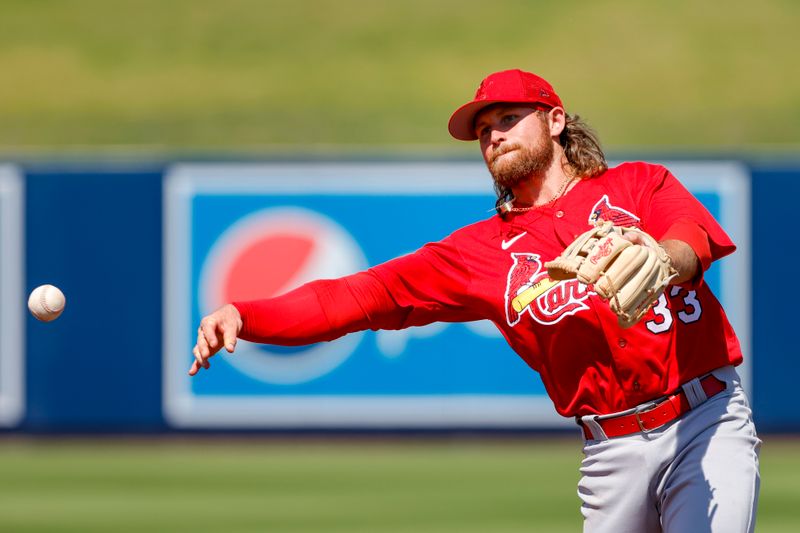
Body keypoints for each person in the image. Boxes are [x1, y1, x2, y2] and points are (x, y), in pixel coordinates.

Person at [190, 69, 760, 532]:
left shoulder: (638, 185)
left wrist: (665, 260)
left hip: (704, 420)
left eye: (509, 119)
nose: (494, 136)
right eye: (483, 129)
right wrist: (247, 314)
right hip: (610, 455)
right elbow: (361, 296)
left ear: (556, 121)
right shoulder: (480, 251)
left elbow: (693, 235)